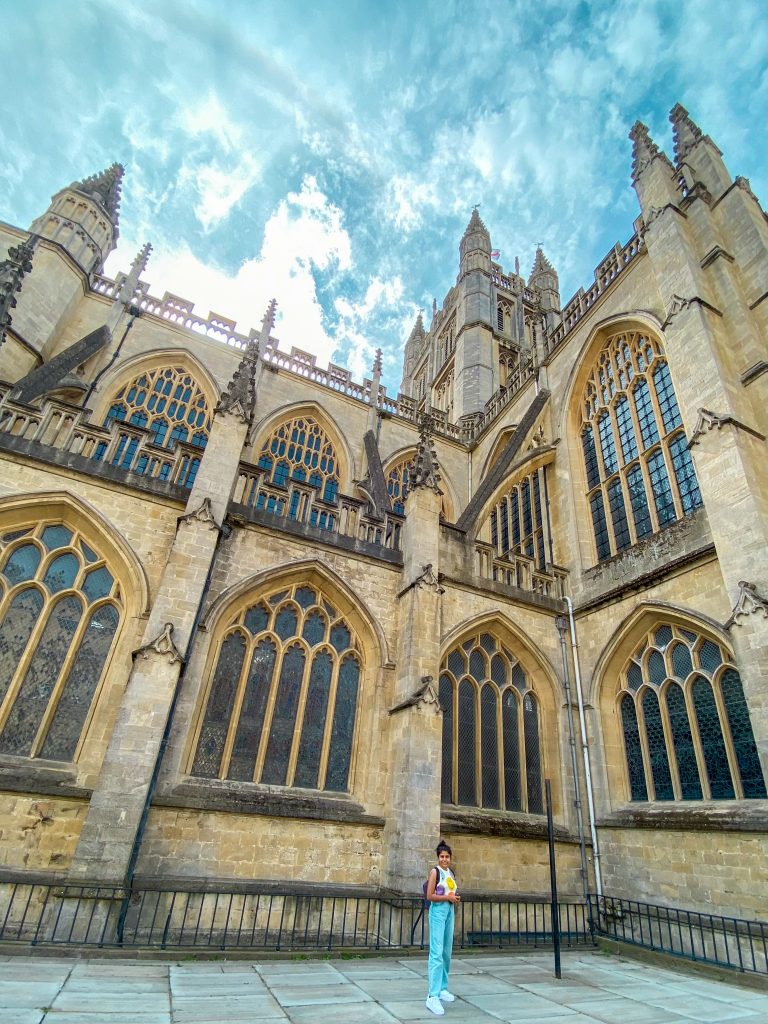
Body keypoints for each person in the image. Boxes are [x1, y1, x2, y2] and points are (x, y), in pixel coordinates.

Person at [425, 839, 459, 1016]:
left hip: (449, 911)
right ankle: (432, 995)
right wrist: (447, 898)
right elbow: (430, 895)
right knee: (436, 953)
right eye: (442, 856)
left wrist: (453, 899)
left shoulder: (450, 873)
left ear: (450, 858)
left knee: (446, 951)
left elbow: (449, 892)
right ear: (438, 857)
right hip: (438, 912)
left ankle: (443, 988)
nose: (444, 859)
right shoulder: (435, 872)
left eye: (447, 856)